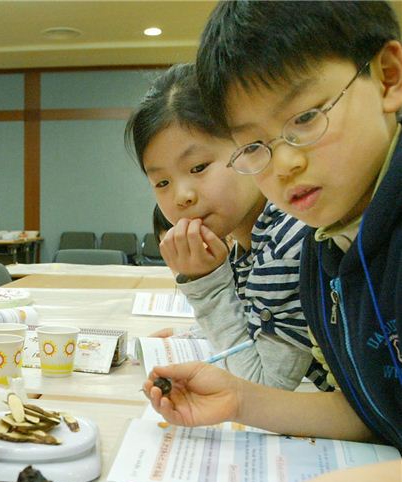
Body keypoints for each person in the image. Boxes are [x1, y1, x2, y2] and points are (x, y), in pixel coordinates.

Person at [145, 0, 402, 482]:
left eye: (306, 118)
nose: (282, 164)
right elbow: (380, 408)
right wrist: (244, 398)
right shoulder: (328, 248)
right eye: (255, 144)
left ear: (391, 78)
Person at [126, 63, 330, 391]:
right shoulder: (244, 242)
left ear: (249, 147)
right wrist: (194, 335)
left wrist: (207, 287)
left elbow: (264, 391)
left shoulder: (285, 242)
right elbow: (256, 330)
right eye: (162, 181)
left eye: (198, 167)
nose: (182, 196)